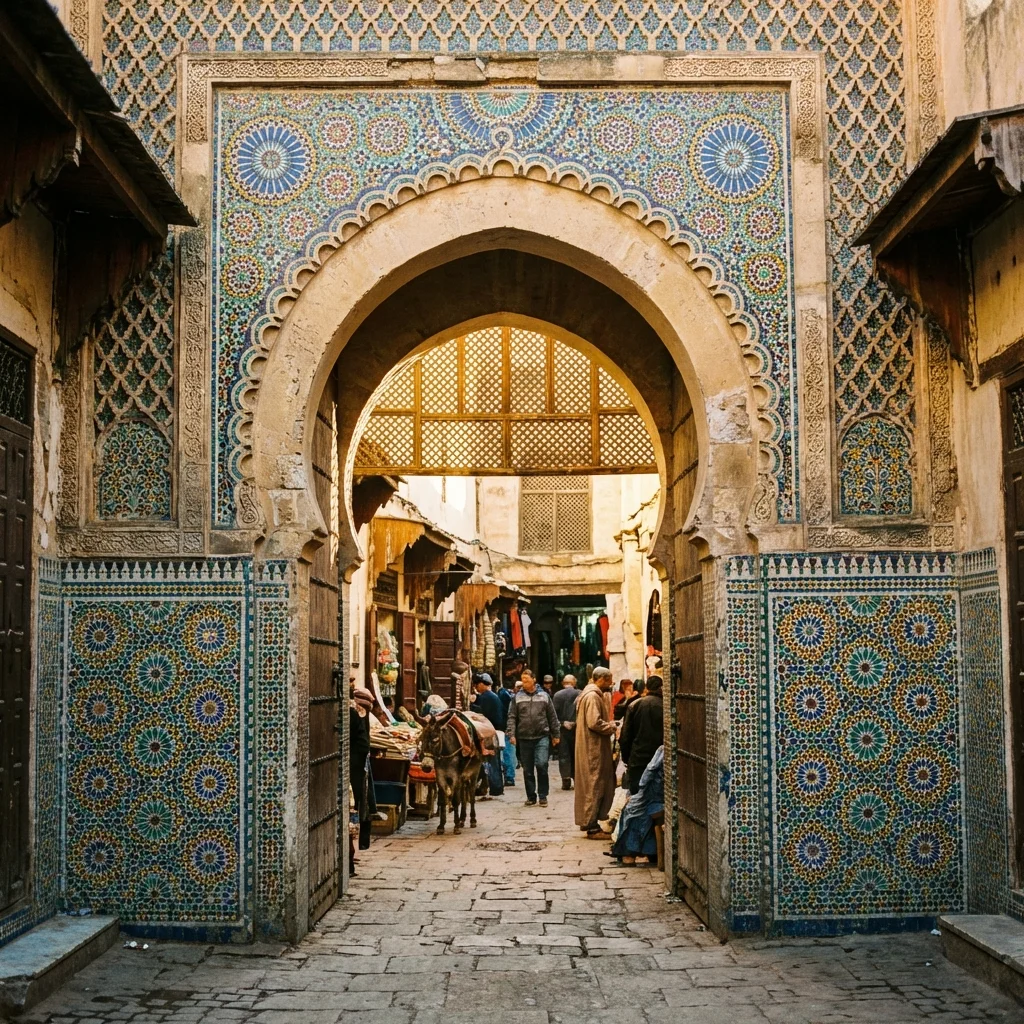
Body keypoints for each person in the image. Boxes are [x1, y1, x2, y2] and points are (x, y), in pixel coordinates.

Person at [574, 666, 617, 839]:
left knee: (592, 783)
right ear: (602, 679)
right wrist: (611, 727)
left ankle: (589, 821)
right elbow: (594, 722)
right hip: (593, 748)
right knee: (594, 783)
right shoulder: (592, 696)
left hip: (590, 746)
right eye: (609, 680)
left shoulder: (589, 694)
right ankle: (591, 826)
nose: (611, 683)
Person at [506, 669, 559, 807]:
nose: (524, 683)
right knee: (527, 769)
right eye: (522, 680)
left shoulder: (544, 696)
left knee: (542, 764)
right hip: (524, 737)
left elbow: (552, 716)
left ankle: (543, 795)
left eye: (526, 680)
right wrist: (511, 734)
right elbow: (512, 716)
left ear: (534, 679)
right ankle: (531, 796)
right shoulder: (517, 697)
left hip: (542, 736)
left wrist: (556, 734)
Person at [611, 746, 665, 866]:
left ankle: (629, 853)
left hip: (652, 793)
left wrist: (640, 790)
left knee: (634, 812)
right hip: (653, 790)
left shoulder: (663, 751)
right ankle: (645, 852)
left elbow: (649, 773)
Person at [619, 675, 664, 794]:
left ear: (646, 688)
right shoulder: (665, 706)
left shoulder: (635, 705)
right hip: (660, 757)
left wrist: (626, 757)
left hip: (638, 757)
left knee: (637, 795)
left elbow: (625, 736)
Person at [471, 674, 505, 798]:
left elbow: (482, 713)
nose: (476, 688)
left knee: (491, 761)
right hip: (492, 731)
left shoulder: (487, 697)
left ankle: (495, 787)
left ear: (481, 684)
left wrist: (472, 705)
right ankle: (494, 787)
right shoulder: (490, 696)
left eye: (477, 685)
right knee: (492, 761)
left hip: (489, 732)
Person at [552, 673, 581, 790]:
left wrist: (563, 723)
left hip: (562, 729)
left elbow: (553, 715)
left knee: (564, 755)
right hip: (577, 729)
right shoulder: (580, 694)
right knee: (576, 754)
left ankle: (566, 779)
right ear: (574, 683)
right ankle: (576, 778)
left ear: (564, 683)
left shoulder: (557, 695)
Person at [496, 676, 517, 786]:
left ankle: (509, 776)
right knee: (508, 753)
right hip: (507, 728)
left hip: (505, 728)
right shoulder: (508, 697)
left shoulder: (502, 696)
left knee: (507, 753)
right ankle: (509, 776)